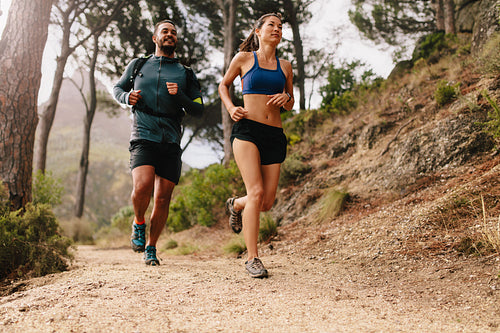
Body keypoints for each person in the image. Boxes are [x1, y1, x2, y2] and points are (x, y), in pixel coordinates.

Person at [113, 19, 204, 266]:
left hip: (172, 139)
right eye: (165, 31)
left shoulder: (185, 73)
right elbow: (117, 88)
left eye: (173, 32)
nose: (170, 34)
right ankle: (138, 222)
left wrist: (181, 95)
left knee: (163, 198)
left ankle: (151, 247)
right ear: (155, 38)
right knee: (142, 187)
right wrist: (126, 97)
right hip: (143, 133)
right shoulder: (139, 64)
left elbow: (198, 108)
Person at [218, 13, 294, 278]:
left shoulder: (285, 66)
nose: (277, 29)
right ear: (258, 31)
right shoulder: (244, 59)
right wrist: (231, 108)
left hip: (274, 134)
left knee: (266, 201)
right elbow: (223, 86)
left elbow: (291, 101)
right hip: (247, 130)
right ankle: (253, 258)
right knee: (257, 191)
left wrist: (285, 97)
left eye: (280, 26)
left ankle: (237, 204)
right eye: (271, 25)